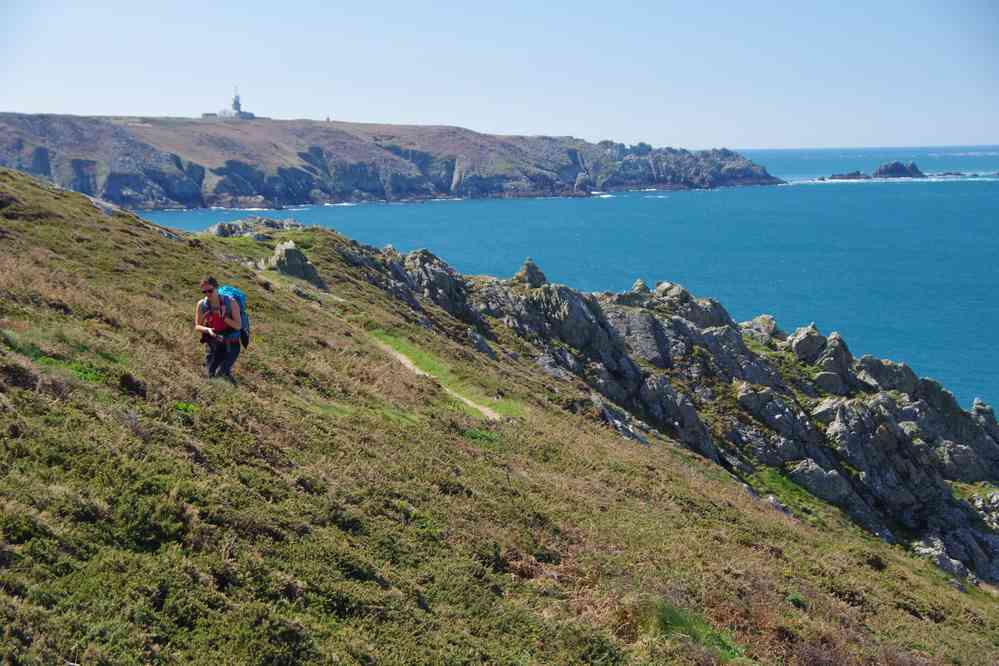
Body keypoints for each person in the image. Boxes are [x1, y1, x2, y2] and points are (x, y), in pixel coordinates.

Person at [194, 276, 242, 381]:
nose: (207, 294)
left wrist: (224, 318)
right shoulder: (202, 304)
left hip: (231, 343)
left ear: (217, 288)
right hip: (213, 342)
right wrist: (208, 330)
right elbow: (197, 326)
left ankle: (228, 379)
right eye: (204, 292)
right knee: (210, 374)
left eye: (210, 291)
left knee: (220, 374)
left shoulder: (231, 302)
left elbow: (238, 326)